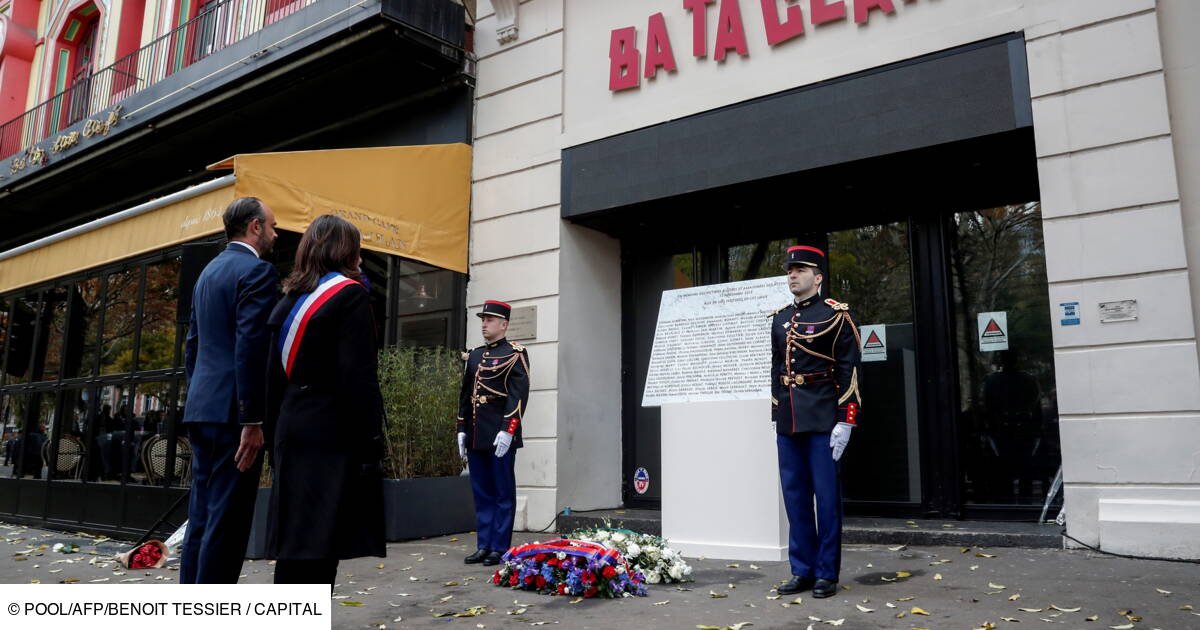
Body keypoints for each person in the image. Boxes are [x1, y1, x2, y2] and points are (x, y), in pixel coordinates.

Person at [264, 214, 386, 585]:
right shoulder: (349, 296)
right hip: (332, 433)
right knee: (321, 543)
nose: (361, 260)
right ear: (345, 251)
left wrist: (274, 437)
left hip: (292, 426)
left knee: (295, 543)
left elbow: (270, 381)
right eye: (358, 250)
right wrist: (371, 443)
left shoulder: (288, 301)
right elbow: (358, 378)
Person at [180, 196, 279, 584]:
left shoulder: (208, 272)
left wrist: (201, 394)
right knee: (228, 524)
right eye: (271, 226)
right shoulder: (257, 272)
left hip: (203, 408)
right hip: (234, 418)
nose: (275, 233)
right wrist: (252, 419)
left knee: (201, 518)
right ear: (254, 227)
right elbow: (251, 347)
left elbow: (193, 344)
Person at [770, 245, 862, 598]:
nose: (792, 275)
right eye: (790, 270)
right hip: (790, 421)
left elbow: (849, 370)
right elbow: (777, 369)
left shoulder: (837, 315)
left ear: (818, 277)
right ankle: (802, 570)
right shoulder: (780, 318)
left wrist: (846, 421)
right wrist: (777, 413)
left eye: (801, 270)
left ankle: (826, 573)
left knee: (826, 501)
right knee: (794, 499)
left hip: (824, 419)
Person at [458, 300, 530, 567]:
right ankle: (484, 545)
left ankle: (499, 546)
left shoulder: (515, 353)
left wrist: (508, 430)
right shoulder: (475, 355)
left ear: (504, 324)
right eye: (483, 320)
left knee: (502, 492)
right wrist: (461, 429)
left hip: (500, 435)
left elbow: (518, 396)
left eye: (489, 320)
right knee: (482, 492)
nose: (484, 324)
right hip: (477, 434)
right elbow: (466, 396)